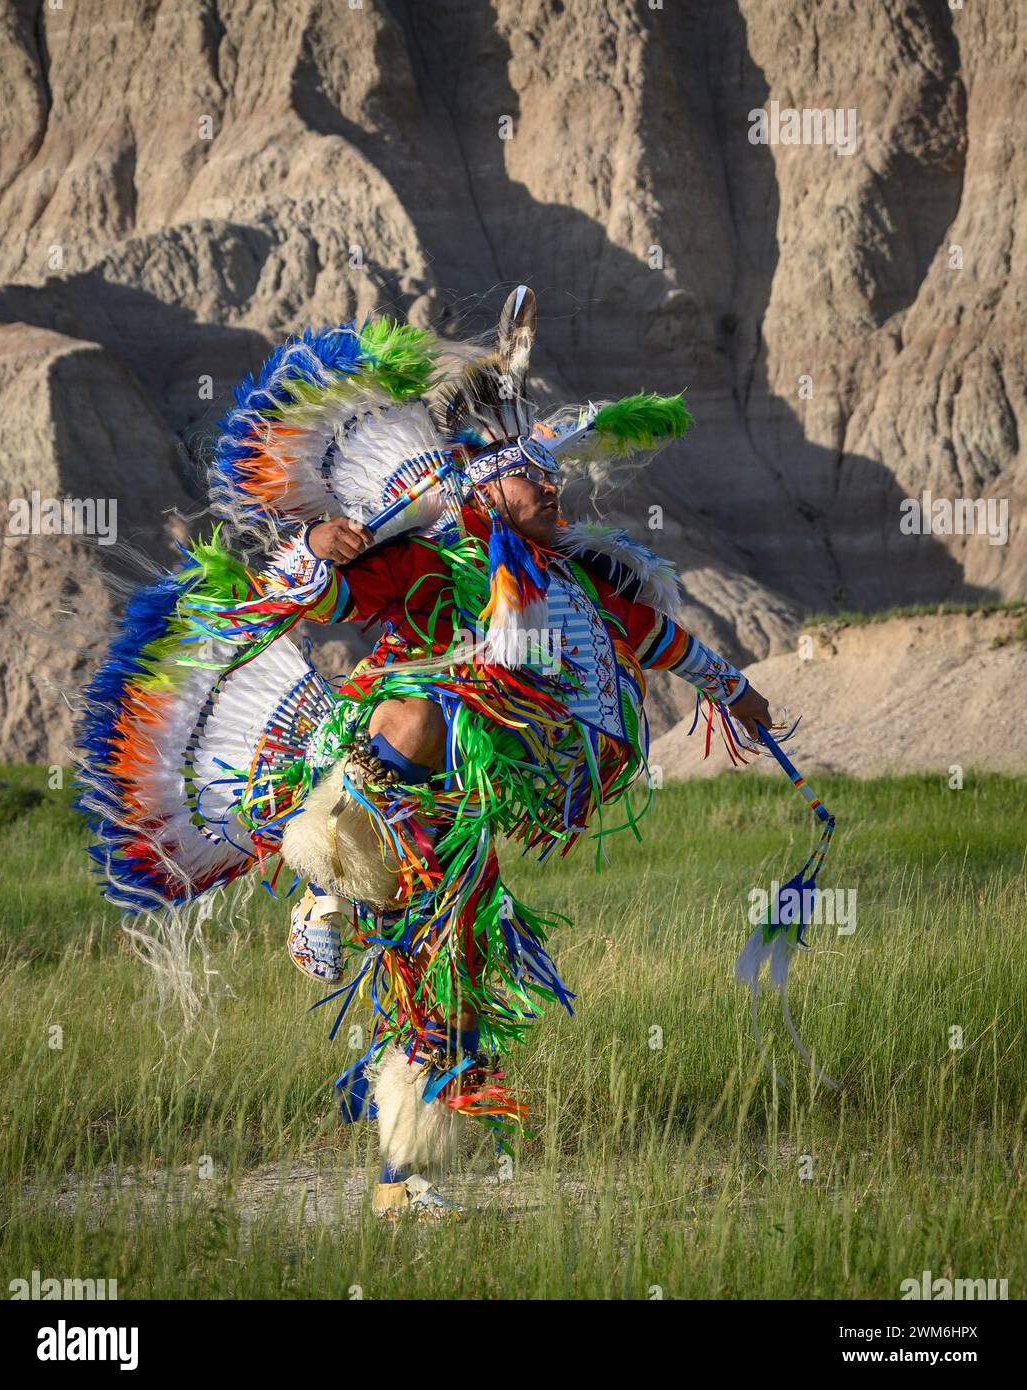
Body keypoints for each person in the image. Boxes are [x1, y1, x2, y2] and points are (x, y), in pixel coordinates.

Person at [76, 286, 773, 1220]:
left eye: (552, 478)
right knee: (436, 700)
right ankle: (321, 886)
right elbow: (323, 603)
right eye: (535, 478)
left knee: (444, 971)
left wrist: (738, 695)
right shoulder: (435, 558)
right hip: (390, 765)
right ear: (487, 485)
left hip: (456, 823)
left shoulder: (579, 583)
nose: (554, 489)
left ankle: (404, 1186)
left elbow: (661, 643)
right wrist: (322, 546)